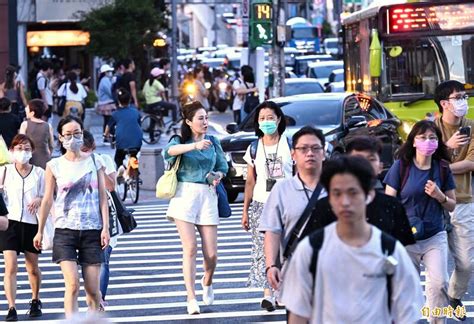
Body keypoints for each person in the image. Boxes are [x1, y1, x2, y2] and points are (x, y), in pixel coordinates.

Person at [281, 156, 424, 324]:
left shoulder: (390, 250)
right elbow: (298, 313)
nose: (345, 202)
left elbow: (406, 313)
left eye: (353, 192)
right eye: (337, 193)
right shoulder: (311, 249)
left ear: (369, 195)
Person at [33, 116, 110, 318]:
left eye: (77, 133)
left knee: (93, 290)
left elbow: (103, 197)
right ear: (60, 138)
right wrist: (40, 231)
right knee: (73, 285)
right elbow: (48, 199)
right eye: (68, 134)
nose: (73, 137)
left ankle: (94, 316)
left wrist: (106, 228)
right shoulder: (54, 165)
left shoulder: (96, 161)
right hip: (65, 230)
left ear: (83, 133)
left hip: (92, 229)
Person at [384, 120, 456, 324]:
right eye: (422, 137)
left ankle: (436, 321)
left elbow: (451, 205)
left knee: (439, 282)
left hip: (434, 235)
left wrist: (440, 196)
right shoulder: (401, 167)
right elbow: (389, 203)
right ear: (413, 142)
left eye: (432, 138)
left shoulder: (442, 168)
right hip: (406, 238)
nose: (428, 142)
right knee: (408, 289)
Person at [164, 101, 228, 315]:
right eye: (200, 118)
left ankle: (207, 281)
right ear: (189, 122)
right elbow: (169, 152)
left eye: (206, 118)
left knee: (212, 254)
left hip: (207, 196)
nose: (205, 122)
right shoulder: (180, 140)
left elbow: (222, 166)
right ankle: (191, 297)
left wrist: (218, 176)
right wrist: (194, 146)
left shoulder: (213, 141)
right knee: (190, 248)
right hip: (184, 195)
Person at [308, 136, 415, 246]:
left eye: (371, 159)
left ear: (380, 167)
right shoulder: (325, 207)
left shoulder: (392, 206)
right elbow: (310, 248)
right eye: (358, 159)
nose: (364, 165)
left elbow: (403, 249)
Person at [259, 126, 326, 297]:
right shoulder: (281, 189)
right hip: (295, 273)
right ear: (293, 154)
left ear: (323, 153)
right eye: (303, 149)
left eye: (315, 148)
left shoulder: (337, 187)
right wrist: (271, 265)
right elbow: (272, 230)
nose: (309, 153)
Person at [241, 101, 293, 310]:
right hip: (261, 204)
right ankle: (267, 293)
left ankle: (283, 291)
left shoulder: (290, 144)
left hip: (288, 203)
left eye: (270, 117)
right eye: (262, 118)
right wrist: (245, 210)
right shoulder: (254, 148)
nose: (266, 122)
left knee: (286, 249)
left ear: (279, 119)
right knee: (264, 250)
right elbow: (250, 181)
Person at [433, 80, 474, 321]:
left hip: (464, 200)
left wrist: (441, 165)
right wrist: (445, 147)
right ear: (444, 103)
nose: (463, 101)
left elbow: (471, 163)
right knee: (434, 269)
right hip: (432, 202)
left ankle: (455, 295)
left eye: (464, 97)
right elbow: (420, 160)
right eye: (458, 97)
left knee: (466, 263)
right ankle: (434, 315)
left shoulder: (471, 127)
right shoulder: (430, 130)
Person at [0, 134, 45, 321]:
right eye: (19, 148)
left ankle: (35, 300)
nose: (23, 152)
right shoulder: (4, 171)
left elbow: (48, 197)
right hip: (8, 223)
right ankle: (12, 307)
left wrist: (39, 198)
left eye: (27, 148)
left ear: (32, 151)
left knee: (32, 267)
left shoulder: (40, 173)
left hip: (31, 223)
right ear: (11, 151)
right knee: (10, 265)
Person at [81, 130, 118, 312]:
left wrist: (99, 168)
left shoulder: (104, 160)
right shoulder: (70, 163)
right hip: (82, 218)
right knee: (89, 262)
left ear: (92, 148)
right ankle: (94, 297)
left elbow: (112, 187)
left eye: (86, 150)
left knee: (103, 260)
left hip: (106, 217)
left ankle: (99, 300)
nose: (83, 154)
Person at [104, 88, 142, 169]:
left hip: (122, 143)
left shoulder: (115, 114)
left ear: (118, 101)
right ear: (129, 100)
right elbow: (139, 124)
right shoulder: (135, 112)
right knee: (133, 156)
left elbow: (108, 127)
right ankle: (135, 172)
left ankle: (122, 173)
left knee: (118, 159)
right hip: (137, 142)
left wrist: (105, 135)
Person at [19, 99, 54, 169]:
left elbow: (20, 143)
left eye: (27, 108)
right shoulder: (48, 126)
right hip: (45, 159)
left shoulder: (25, 124)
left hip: (29, 159)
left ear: (32, 113)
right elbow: (52, 145)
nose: (25, 109)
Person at [96, 64, 116, 135]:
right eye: (109, 71)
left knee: (107, 121)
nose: (110, 72)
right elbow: (110, 91)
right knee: (109, 121)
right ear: (105, 72)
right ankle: (108, 137)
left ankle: (107, 137)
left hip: (104, 104)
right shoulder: (105, 80)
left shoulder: (103, 80)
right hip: (107, 104)